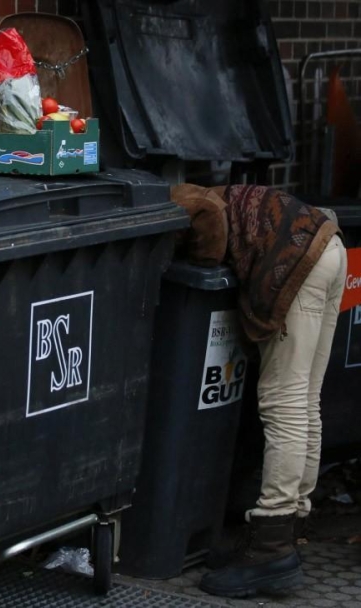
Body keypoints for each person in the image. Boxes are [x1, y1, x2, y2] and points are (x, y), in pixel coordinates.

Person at [171, 183, 347, 599]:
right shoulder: (232, 192)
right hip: (330, 248)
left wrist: (194, 260)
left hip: (298, 262)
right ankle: (290, 525)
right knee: (304, 399)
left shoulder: (188, 200)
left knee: (282, 401)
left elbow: (208, 229)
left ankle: (271, 543)